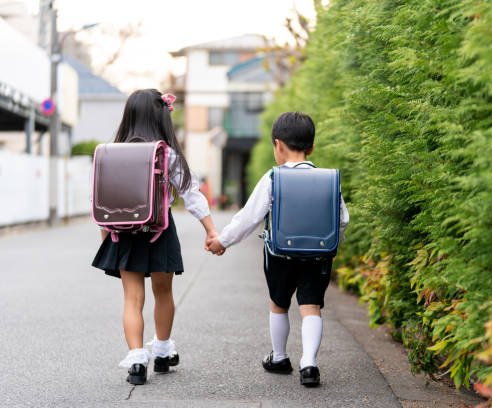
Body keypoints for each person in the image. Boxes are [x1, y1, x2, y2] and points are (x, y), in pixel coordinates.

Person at [207, 112, 350, 387]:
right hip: (318, 255)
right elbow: (342, 219)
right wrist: (332, 244)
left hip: (279, 254)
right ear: (311, 148)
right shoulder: (328, 180)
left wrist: (222, 241)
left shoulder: (273, 177)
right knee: (311, 307)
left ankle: (280, 357)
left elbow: (249, 217)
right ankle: (309, 364)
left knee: (279, 305)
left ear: (278, 145)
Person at [92, 89, 222, 385]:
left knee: (132, 298)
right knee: (163, 293)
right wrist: (211, 230)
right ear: (161, 117)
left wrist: (105, 237)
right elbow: (191, 194)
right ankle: (162, 352)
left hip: (122, 234)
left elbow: (99, 201)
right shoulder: (167, 153)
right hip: (159, 232)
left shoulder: (110, 153)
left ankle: (137, 360)